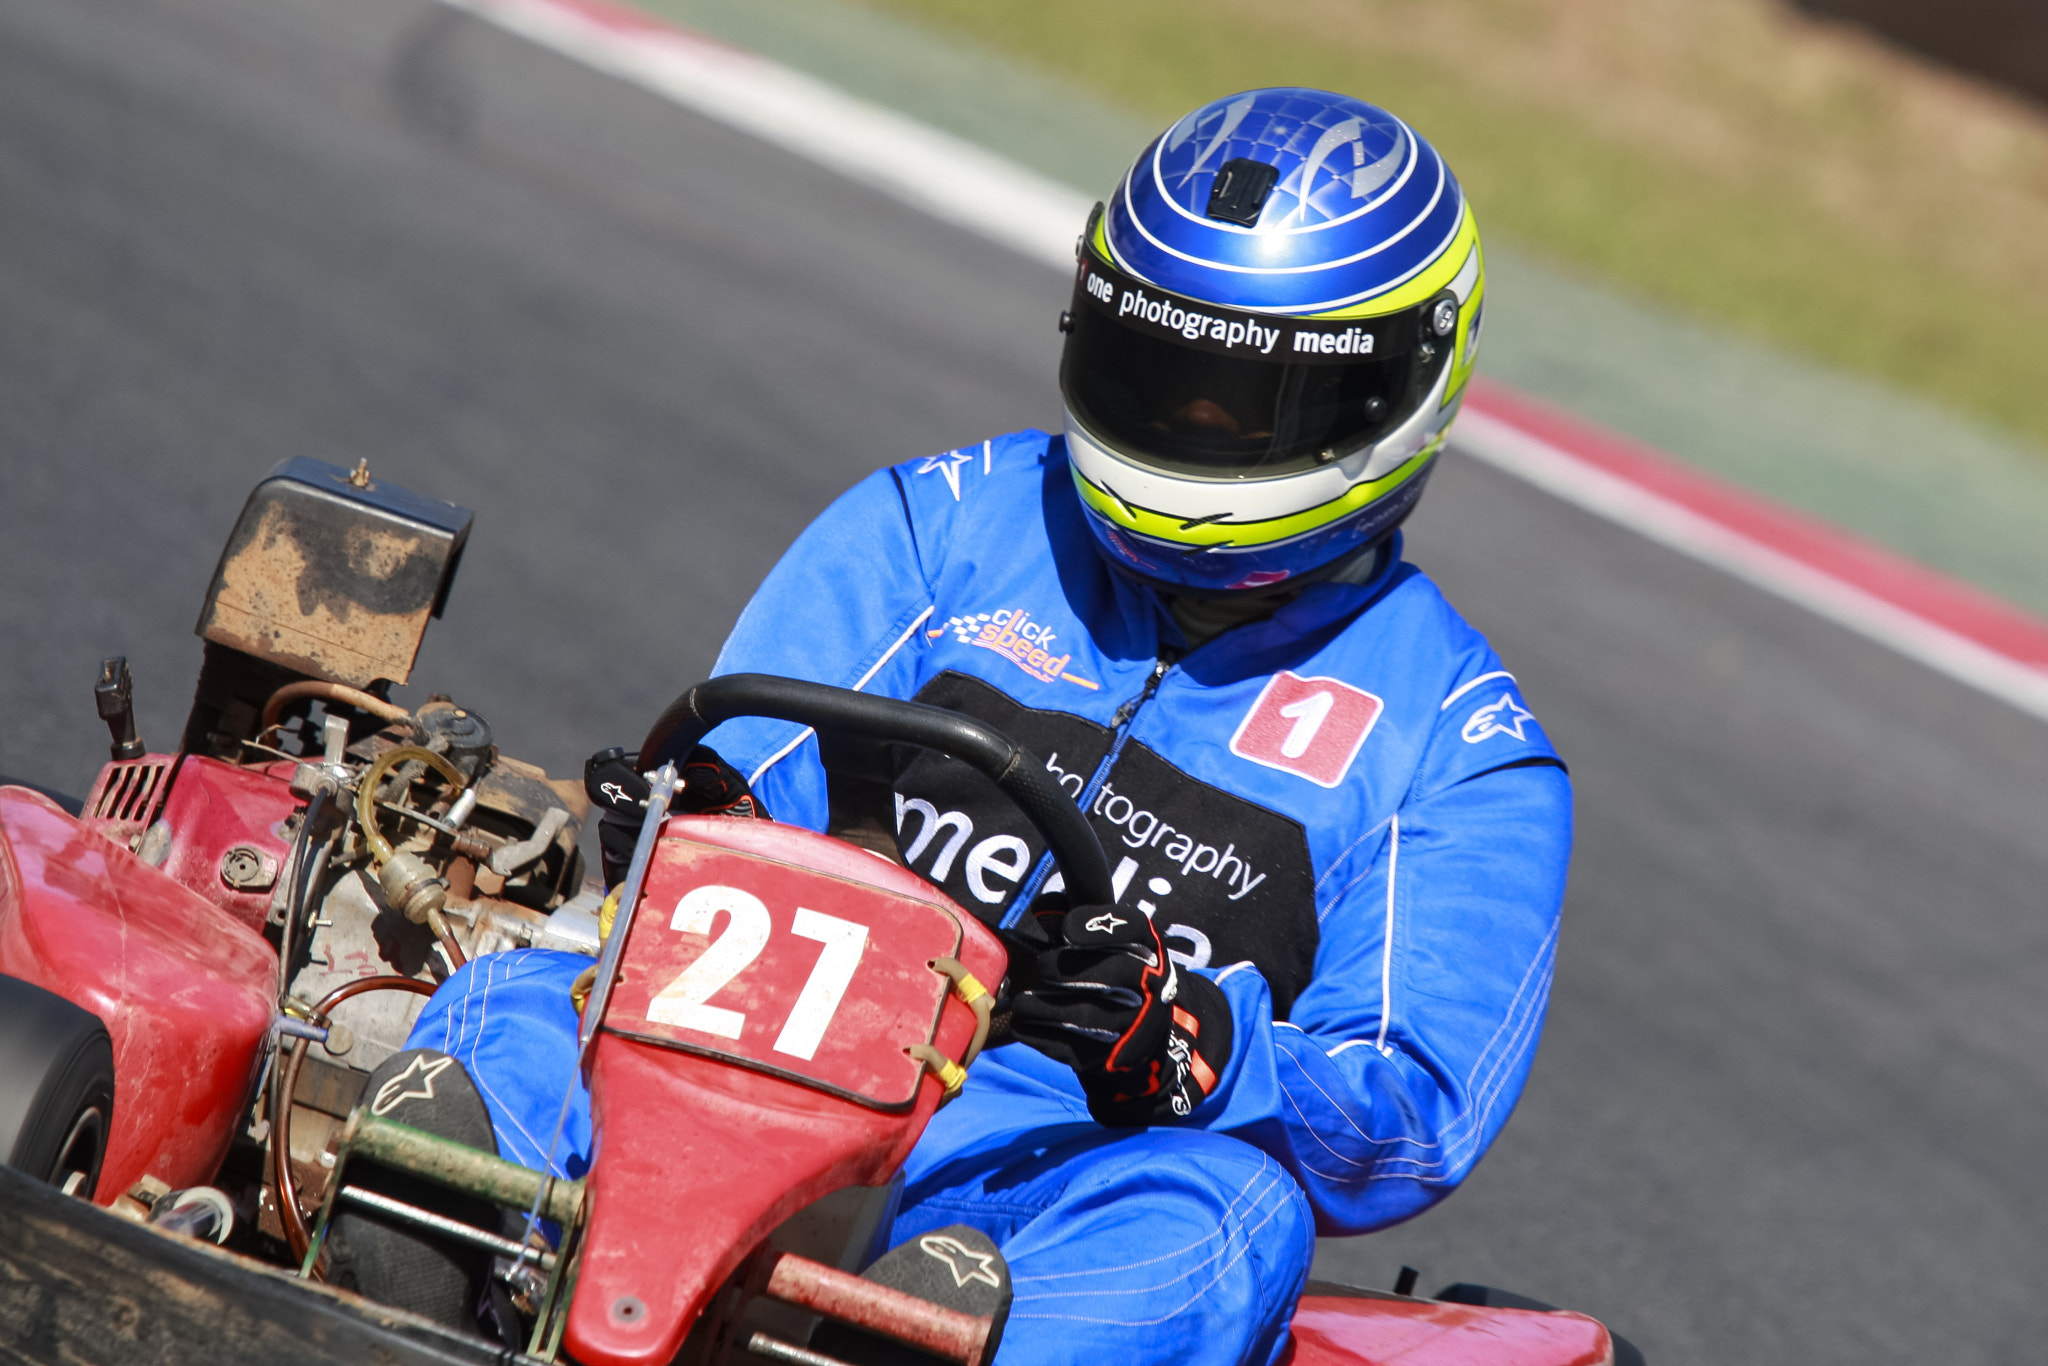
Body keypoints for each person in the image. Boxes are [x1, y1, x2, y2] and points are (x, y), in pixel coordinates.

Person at [405, 87, 1571, 1366]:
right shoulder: (944, 524)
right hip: (729, 1070)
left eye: (1244, 402)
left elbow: (1405, 1107)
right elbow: (745, 786)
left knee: (1226, 1217)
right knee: (521, 996)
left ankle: (928, 1335)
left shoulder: (1458, 750)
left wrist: (1199, 1038)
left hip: (1042, 1178)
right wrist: (693, 829)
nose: (1189, 424)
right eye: (1159, 372)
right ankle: (411, 1257)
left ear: (1400, 386)